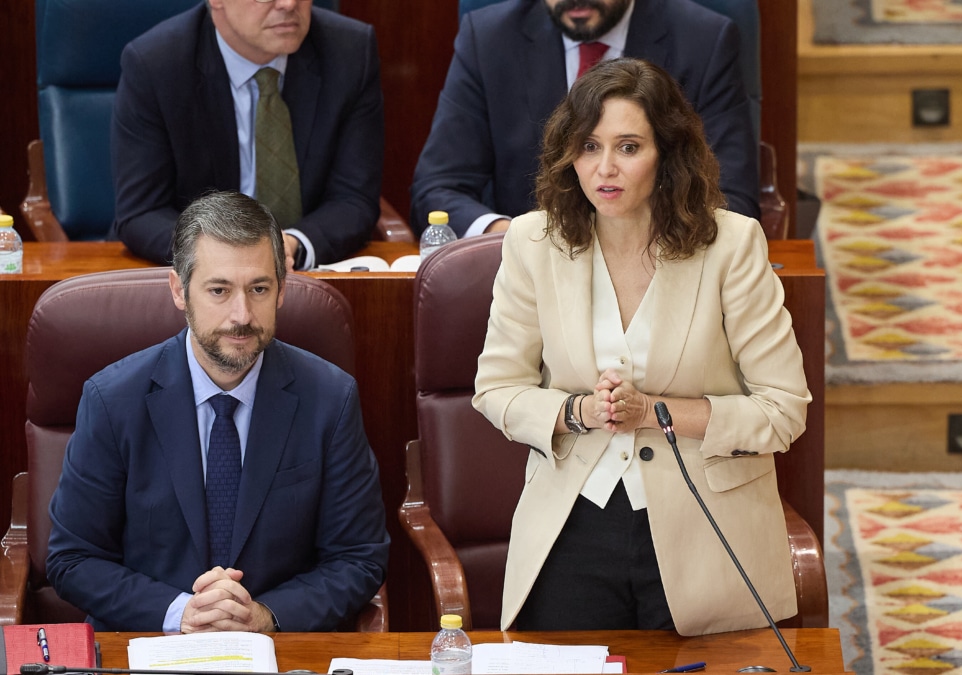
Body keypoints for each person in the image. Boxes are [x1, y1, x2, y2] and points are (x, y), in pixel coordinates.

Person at [472, 58, 809, 636]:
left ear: (667, 153)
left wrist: (656, 412)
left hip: (708, 526)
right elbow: (496, 389)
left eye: (628, 147)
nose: (605, 168)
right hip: (573, 523)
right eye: (588, 146)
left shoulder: (731, 244)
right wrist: (578, 411)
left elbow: (783, 410)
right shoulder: (532, 241)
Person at [47, 191, 389, 632]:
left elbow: (358, 557)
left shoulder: (331, 398)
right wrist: (180, 613)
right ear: (179, 290)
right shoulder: (112, 399)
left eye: (259, 289)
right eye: (219, 290)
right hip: (151, 645)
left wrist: (265, 616)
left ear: (282, 289)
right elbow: (73, 558)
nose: (241, 315)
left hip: (278, 652)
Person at [410, 0, 758, 239]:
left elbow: (731, 197)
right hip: (527, 281)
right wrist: (515, 239)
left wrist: (629, 243)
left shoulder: (703, 40)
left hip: (658, 270)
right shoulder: (488, 39)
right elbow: (438, 188)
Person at [110, 0, 384, 270]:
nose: (289, 4)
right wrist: (225, 255)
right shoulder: (156, 63)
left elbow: (353, 198)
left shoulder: (350, 51)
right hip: (197, 285)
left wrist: (291, 244)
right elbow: (142, 212)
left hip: (305, 273)